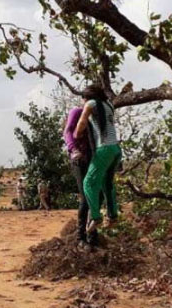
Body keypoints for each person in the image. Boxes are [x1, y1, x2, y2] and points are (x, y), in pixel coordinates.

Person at [74, 84, 122, 233]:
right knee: (107, 184)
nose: (82, 103)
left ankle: (96, 217)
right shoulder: (108, 104)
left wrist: (76, 135)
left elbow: (82, 122)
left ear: (86, 97)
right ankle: (113, 216)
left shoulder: (91, 103)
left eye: (82, 99)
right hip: (116, 149)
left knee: (88, 183)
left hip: (104, 149)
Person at [64, 103, 99, 250]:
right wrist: (73, 149)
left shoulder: (97, 118)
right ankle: (80, 238)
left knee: (95, 196)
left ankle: (93, 236)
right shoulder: (77, 112)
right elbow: (68, 131)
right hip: (79, 159)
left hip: (93, 159)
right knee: (85, 198)